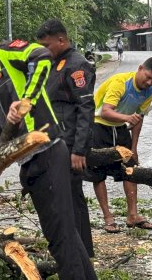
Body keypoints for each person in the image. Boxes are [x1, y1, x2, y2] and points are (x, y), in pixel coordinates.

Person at [0, 25, 97, 280]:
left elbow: (42, 55)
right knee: (63, 232)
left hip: (48, 151)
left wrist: (27, 100)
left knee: (60, 237)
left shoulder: (7, 53)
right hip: (30, 160)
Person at [36, 19, 96, 257]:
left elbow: (86, 110)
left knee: (73, 196)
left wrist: (79, 150)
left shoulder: (77, 65)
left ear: (61, 40)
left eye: (47, 45)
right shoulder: (53, 63)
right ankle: (70, 246)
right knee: (59, 195)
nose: (43, 49)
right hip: (55, 140)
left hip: (71, 144)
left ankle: (83, 251)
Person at [90, 58, 152, 232]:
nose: (149, 82)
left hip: (120, 128)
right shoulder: (120, 82)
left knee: (131, 170)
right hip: (98, 126)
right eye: (147, 77)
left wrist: (134, 147)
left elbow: (138, 120)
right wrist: (127, 118)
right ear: (140, 68)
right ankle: (108, 217)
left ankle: (132, 215)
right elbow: (106, 111)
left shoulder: (149, 92)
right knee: (98, 174)